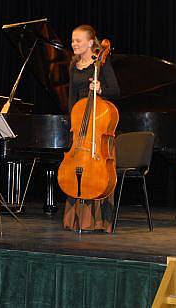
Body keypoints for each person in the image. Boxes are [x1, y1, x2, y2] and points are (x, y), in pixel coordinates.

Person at [63, 25, 120, 233]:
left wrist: (100, 88)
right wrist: (72, 126)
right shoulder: (73, 66)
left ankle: (97, 221)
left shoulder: (102, 65)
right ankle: (76, 220)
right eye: (72, 41)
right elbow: (71, 98)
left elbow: (115, 91)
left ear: (90, 43)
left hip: (98, 127)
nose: (74, 44)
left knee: (96, 172)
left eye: (78, 41)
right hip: (80, 128)